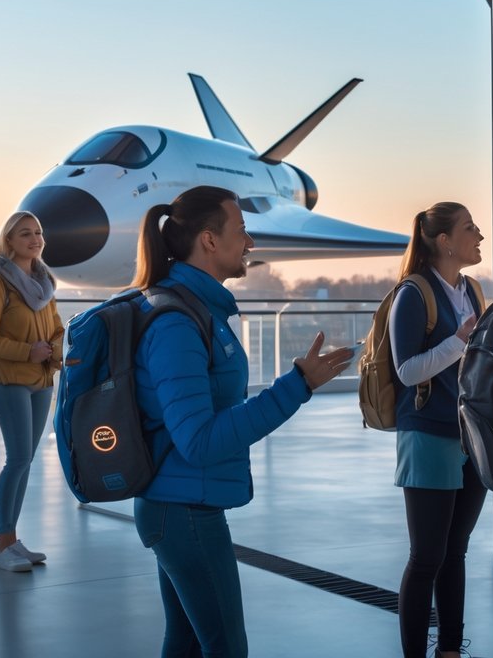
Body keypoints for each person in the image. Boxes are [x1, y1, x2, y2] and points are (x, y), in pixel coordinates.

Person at [121, 185, 352, 657]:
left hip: (181, 504)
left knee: (185, 643)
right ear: (209, 239)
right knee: (226, 648)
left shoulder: (198, 310)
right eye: (242, 231)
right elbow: (199, 442)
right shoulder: (176, 323)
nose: (250, 244)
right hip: (182, 510)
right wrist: (297, 387)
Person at [388, 202, 487, 658]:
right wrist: (460, 339)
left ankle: (449, 650)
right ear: (444, 241)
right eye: (469, 228)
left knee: (456, 551)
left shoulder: (472, 290)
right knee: (427, 557)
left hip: (469, 436)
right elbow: (407, 371)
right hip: (427, 436)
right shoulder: (413, 293)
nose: (480, 234)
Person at [0, 211, 64, 572]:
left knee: (25, 460)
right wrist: (28, 351)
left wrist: (52, 352)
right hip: (10, 381)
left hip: (41, 381)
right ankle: (2, 547)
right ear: (8, 241)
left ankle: (12, 541)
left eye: (38, 232)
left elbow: (56, 331)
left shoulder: (45, 285)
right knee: (17, 459)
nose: (35, 239)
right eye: (25, 233)